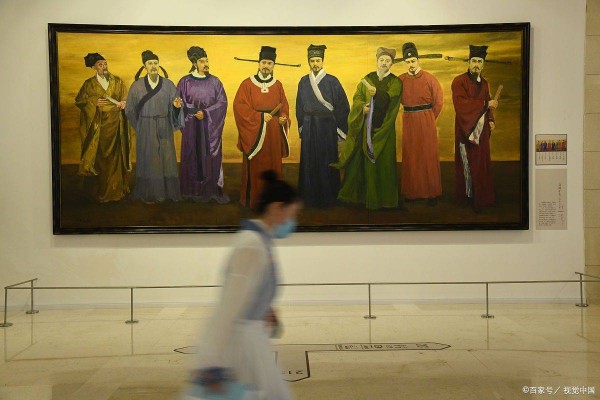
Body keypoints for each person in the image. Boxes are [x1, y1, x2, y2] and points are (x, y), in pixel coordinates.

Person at [190, 170, 300, 400]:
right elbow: (229, 307)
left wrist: (264, 309)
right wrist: (211, 362)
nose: (292, 222)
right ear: (276, 208)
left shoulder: (261, 242)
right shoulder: (251, 245)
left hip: (252, 341)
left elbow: (251, 292)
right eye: (292, 214)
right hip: (240, 349)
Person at [332, 47, 402, 210]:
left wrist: (378, 94)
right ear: (377, 61)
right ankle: (362, 198)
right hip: (365, 129)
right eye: (382, 60)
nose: (384, 63)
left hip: (384, 130)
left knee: (384, 163)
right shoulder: (367, 79)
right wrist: (361, 108)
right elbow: (357, 98)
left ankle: (385, 201)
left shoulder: (396, 82)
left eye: (388, 61)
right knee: (361, 162)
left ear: (392, 64)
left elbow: (393, 101)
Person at [233, 46, 291, 210]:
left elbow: (284, 107)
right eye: (264, 62)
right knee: (256, 166)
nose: (266, 66)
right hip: (255, 132)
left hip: (273, 133)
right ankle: (255, 200)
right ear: (259, 64)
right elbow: (240, 108)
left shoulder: (278, 85)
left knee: (272, 166)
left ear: (273, 65)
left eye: (269, 63)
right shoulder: (247, 84)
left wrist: (283, 118)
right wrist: (259, 117)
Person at [296, 44, 350, 208]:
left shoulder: (332, 81)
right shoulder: (304, 81)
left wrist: (338, 127)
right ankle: (309, 197)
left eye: (318, 60)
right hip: (309, 125)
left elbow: (343, 106)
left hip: (327, 125)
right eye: (312, 61)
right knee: (310, 160)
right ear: (309, 62)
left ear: (322, 61)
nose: (315, 64)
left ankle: (328, 196)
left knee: (327, 160)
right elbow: (299, 106)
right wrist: (302, 125)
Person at [125, 50, 182, 203]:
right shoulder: (137, 86)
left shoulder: (168, 85)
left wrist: (176, 107)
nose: (153, 66)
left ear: (159, 65)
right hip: (145, 127)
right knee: (148, 158)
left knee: (166, 158)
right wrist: (140, 126)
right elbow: (129, 109)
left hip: (164, 125)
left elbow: (176, 104)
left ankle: (168, 193)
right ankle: (149, 193)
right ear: (144, 66)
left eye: (155, 63)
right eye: (150, 63)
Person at [75, 52, 131, 202]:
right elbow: (79, 101)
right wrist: (93, 102)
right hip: (98, 127)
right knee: (98, 157)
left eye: (105, 64)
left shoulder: (118, 81)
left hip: (115, 124)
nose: (104, 67)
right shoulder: (88, 84)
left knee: (115, 157)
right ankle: (99, 193)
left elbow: (125, 97)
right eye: (100, 65)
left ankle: (116, 192)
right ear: (94, 67)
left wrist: (124, 103)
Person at [176, 46, 229, 203]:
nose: (206, 64)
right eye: (201, 61)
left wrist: (206, 113)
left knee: (209, 157)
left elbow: (222, 103)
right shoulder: (185, 82)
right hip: (191, 126)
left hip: (209, 126)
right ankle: (191, 190)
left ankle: (209, 190)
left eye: (207, 60)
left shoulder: (215, 82)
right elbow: (178, 103)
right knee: (191, 155)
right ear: (194, 63)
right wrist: (178, 106)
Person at [451, 45, 498, 212]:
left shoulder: (484, 83)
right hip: (465, 129)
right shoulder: (459, 81)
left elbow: (488, 104)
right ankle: (467, 198)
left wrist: (490, 119)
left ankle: (482, 198)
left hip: (481, 131)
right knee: (467, 163)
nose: (476, 64)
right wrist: (486, 104)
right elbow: (461, 105)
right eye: (474, 61)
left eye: (479, 61)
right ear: (469, 62)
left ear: (483, 65)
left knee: (481, 163)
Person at [398, 42, 443, 206]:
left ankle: (432, 193)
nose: (411, 65)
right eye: (407, 62)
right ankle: (412, 192)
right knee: (411, 155)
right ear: (405, 63)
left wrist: (429, 119)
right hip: (409, 120)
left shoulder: (429, 78)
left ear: (418, 60)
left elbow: (438, 102)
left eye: (413, 61)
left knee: (427, 155)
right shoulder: (400, 80)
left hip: (426, 120)